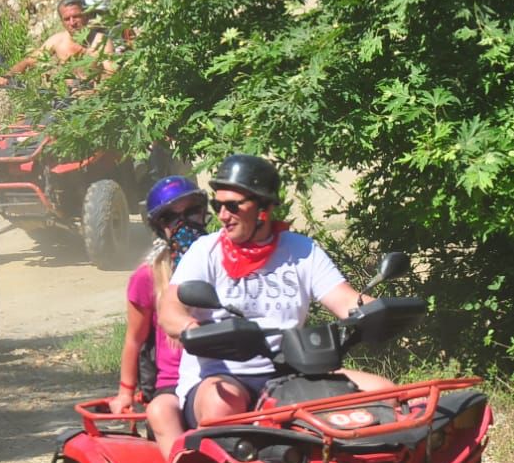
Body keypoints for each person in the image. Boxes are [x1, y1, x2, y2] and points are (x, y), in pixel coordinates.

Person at [157, 153, 396, 429]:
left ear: (263, 209)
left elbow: (344, 299)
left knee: (385, 393)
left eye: (233, 206)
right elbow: (169, 308)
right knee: (222, 404)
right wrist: (192, 329)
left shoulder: (301, 250)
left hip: (293, 371)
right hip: (223, 376)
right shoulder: (205, 252)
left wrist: (381, 312)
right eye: (217, 205)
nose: (223, 215)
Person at [108, 175, 208, 457]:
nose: (184, 223)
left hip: (227, 373)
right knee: (162, 413)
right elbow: (134, 340)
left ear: (204, 213)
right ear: (159, 226)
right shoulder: (148, 276)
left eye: (191, 212)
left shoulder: (225, 263)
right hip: (173, 383)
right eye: (171, 217)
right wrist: (126, 392)